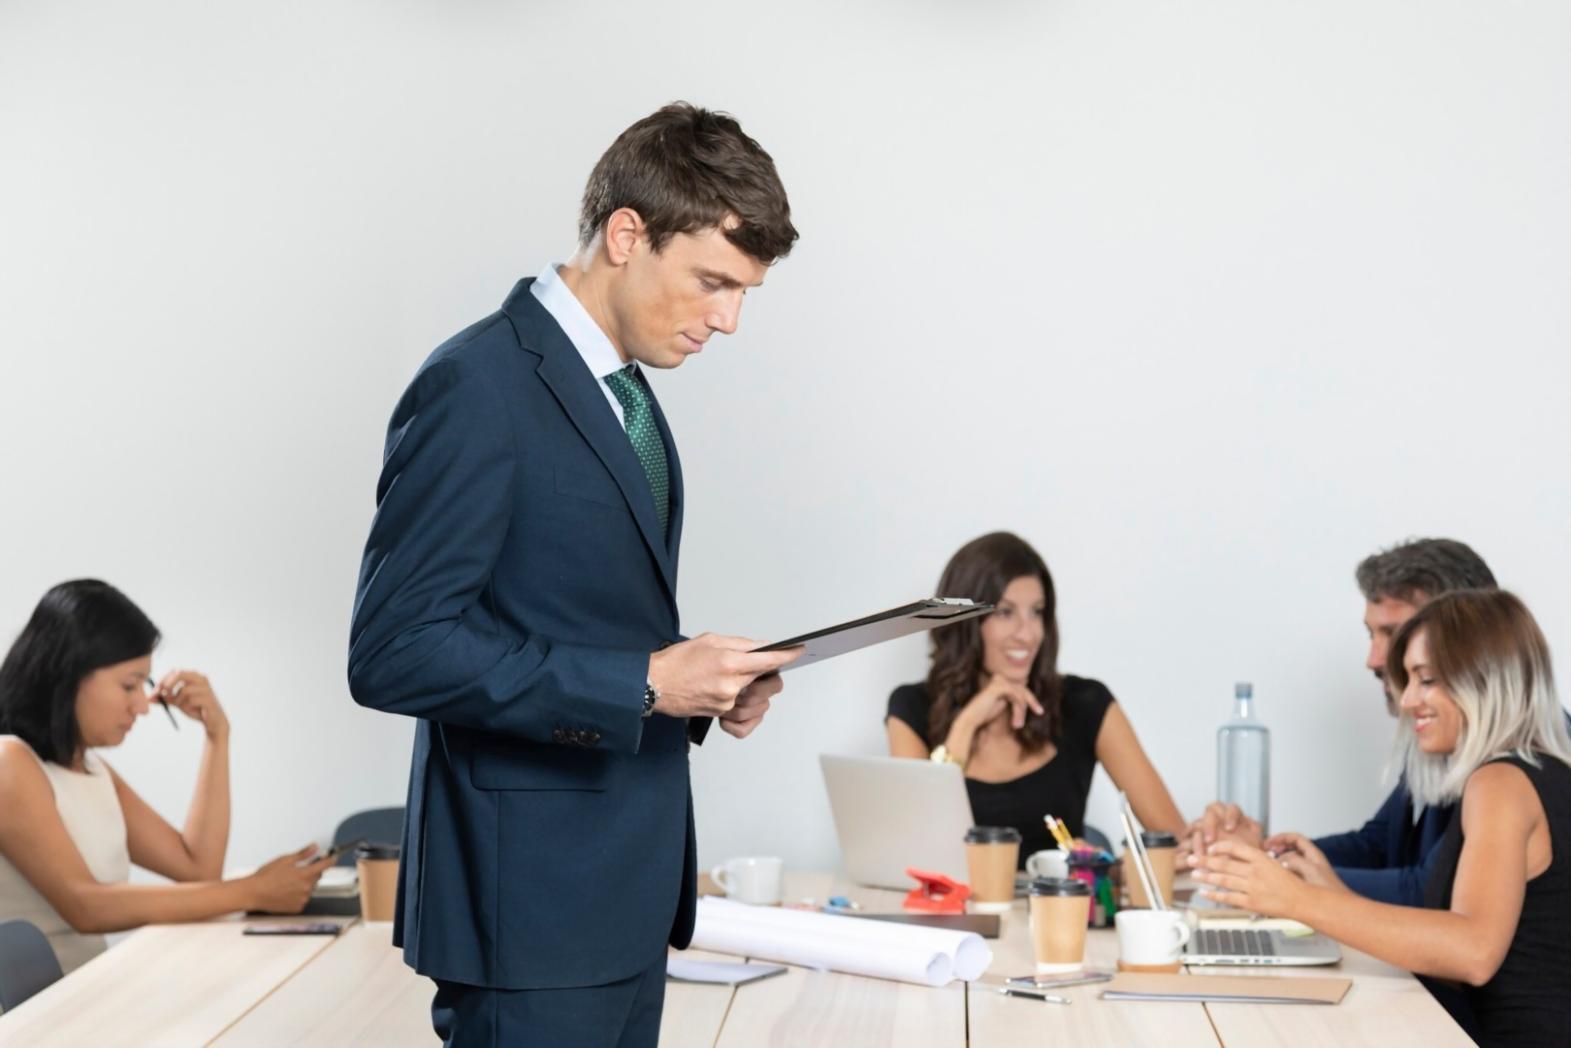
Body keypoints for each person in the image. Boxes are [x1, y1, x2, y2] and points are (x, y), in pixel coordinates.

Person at [347, 103, 802, 1048]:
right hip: (530, 918)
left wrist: (694, 687)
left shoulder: (624, 393)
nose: (729, 319)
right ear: (627, 235)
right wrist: (643, 681)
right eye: (714, 282)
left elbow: (582, 618)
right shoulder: (478, 385)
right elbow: (395, 649)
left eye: (745, 292)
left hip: (621, 907)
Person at [1194, 589, 1571, 1048]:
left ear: (1485, 677)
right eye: (1407, 680)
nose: (1409, 700)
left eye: (1426, 679)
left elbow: (1473, 953)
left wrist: (1296, 900)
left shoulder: (1499, 783)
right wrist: (1326, 890)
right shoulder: (1539, 771)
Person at [0, 580, 331, 974]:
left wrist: (217, 736)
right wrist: (252, 891)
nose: (142, 705)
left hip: (85, 994)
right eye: (128, 685)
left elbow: (197, 869)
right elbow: (85, 906)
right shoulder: (10, 761)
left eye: (145, 685)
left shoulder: (91, 769)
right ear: (67, 676)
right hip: (37, 1019)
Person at [1186, 537, 1496, 904]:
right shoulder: (1438, 734)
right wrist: (1266, 856)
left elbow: (1433, 891)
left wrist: (1283, 881)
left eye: (1394, 635)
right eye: (1372, 634)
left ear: (1471, 637)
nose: (1375, 659)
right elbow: (1379, 846)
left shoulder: (1515, 761)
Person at [886, 532, 1185, 862]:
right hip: (957, 912)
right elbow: (914, 852)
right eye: (1005, 612)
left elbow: (1178, 846)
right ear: (964, 622)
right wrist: (968, 722)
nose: (1028, 634)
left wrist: (1109, 872)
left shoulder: (1086, 704)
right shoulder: (912, 708)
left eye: (1037, 612)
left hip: (1061, 911)